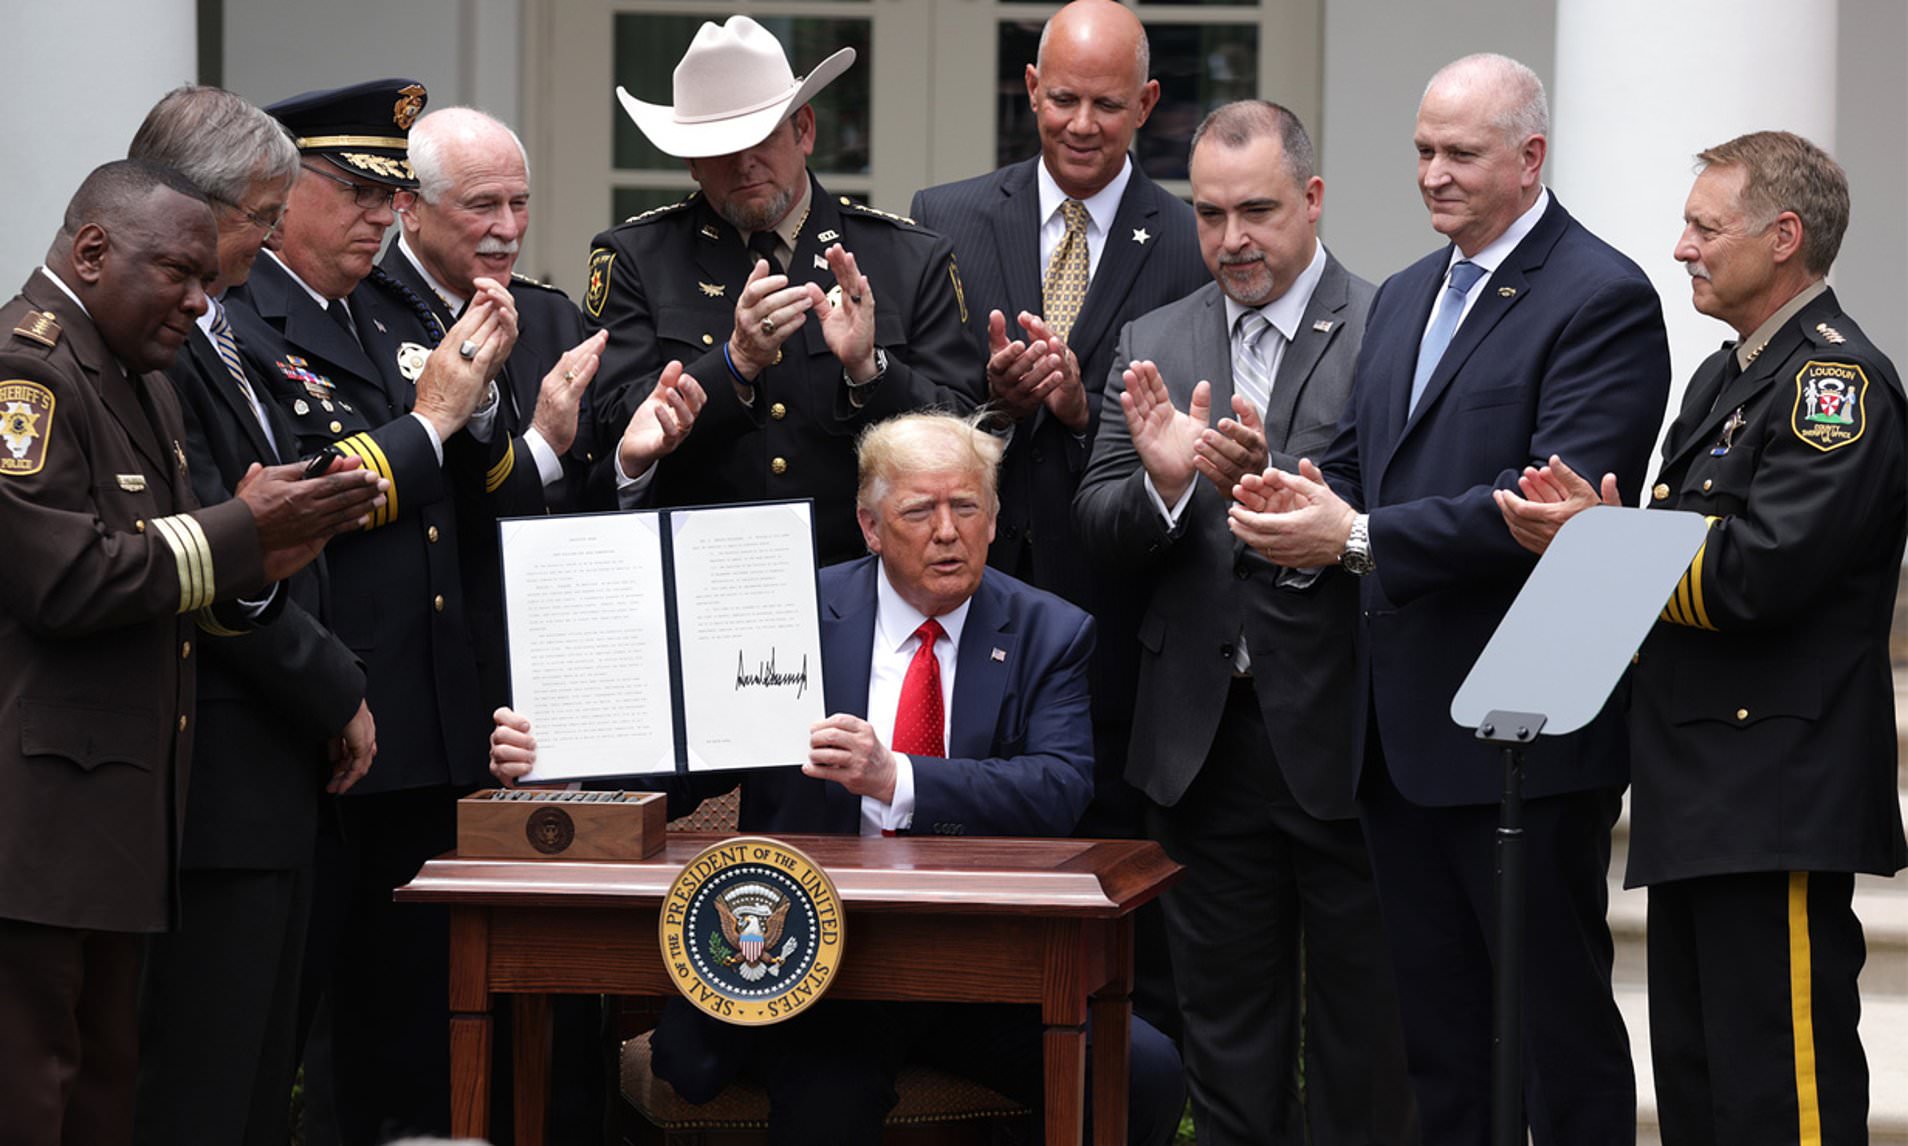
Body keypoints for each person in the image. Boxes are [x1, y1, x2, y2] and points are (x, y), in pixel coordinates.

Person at [490, 411, 1183, 1146]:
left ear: (993, 520)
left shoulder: (1051, 632)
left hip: (985, 969)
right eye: (920, 510)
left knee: (1143, 1069)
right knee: (826, 1107)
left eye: (967, 507)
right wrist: (556, 759)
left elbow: (1057, 788)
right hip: (822, 967)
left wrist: (898, 778)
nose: (947, 531)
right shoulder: (794, 616)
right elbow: (689, 763)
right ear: (871, 526)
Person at [1225, 54, 1670, 1144]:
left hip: (1525, 732)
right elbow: (1359, 462)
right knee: (1439, 1041)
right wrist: (1290, 485)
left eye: (1460, 153)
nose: (1433, 174)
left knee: (1550, 1033)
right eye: (1423, 150)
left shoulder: (1600, 295)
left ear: (1531, 158)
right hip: (1395, 734)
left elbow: (1545, 506)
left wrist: (1362, 536)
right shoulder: (1414, 290)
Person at [1496, 131, 1908, 1146]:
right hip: (1696, 784)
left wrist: (1608, 544)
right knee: (1698, 1086)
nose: (1680, 247)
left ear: (1784, 238)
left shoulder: (1833, 388)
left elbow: (1757, 570)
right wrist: (1598, 543)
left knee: (1781, 1090)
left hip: (1776, 790)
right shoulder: (1720, 382)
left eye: (1703, 226)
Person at [0, 158, 385, 1146]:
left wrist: (264, 543)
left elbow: (176, 568)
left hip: (126, 821)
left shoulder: (145, 379)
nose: (200, 301)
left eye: (208, 279)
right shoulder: (28, 371)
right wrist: (234, 532)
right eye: (178, 273)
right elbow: (63, 581)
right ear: (91, 252)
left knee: (107, 1088)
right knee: (32, 1086)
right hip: (38, 827)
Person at [1075, 99, 1414, 1145]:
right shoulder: (1154, 336)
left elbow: (1406, 524)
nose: (1232, 240)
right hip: (1200, 743)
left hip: (1346, 738)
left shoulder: (1388, 326)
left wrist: (1299, 503)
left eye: (1257, 211)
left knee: (1365, 1048)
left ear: (1312, 200)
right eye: (1211, 215)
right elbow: (1097, 519)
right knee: (1227, 1047)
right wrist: (1170, 486)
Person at [221, 78, 514, 1143]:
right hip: (321, 726)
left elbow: (481, 500)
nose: (381, 218)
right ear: (282, 189)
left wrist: (493, 423)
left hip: (427, 726)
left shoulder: (390, 313)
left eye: (393, 196)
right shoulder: (241, 324)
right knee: (298, 1039)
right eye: (354, 191)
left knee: (416, 1033)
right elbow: (303, 501)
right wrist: (437, 418)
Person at [124, 85, 377, 1146]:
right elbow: (230, 567)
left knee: (259, 1079)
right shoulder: (162, 340)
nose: (268, 240)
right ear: (194, 205)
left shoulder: (223, 327)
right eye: (258, 219)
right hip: (216, 775)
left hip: (266, 772)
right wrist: (339, 691)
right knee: (205, 1085)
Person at [584, 15, 982, 563]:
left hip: (862, 584)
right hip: (703, 576)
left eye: (763, 135)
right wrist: (732, 363)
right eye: (721, 145)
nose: (745, 162)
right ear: (691, 161)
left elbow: (964, 434)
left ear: (806, 130)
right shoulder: (635, 257)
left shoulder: (910, 258)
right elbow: (611, 427)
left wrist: (871, 371)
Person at [384, 105, 609, 717]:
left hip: (554, 661)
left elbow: (588, 496)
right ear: (409, 206)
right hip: (427, 675)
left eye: (520, 203)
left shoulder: (554, 316)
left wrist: (636, 458)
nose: (508, 229)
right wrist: (538, 444)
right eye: (482, 205)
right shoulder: (367, 316)